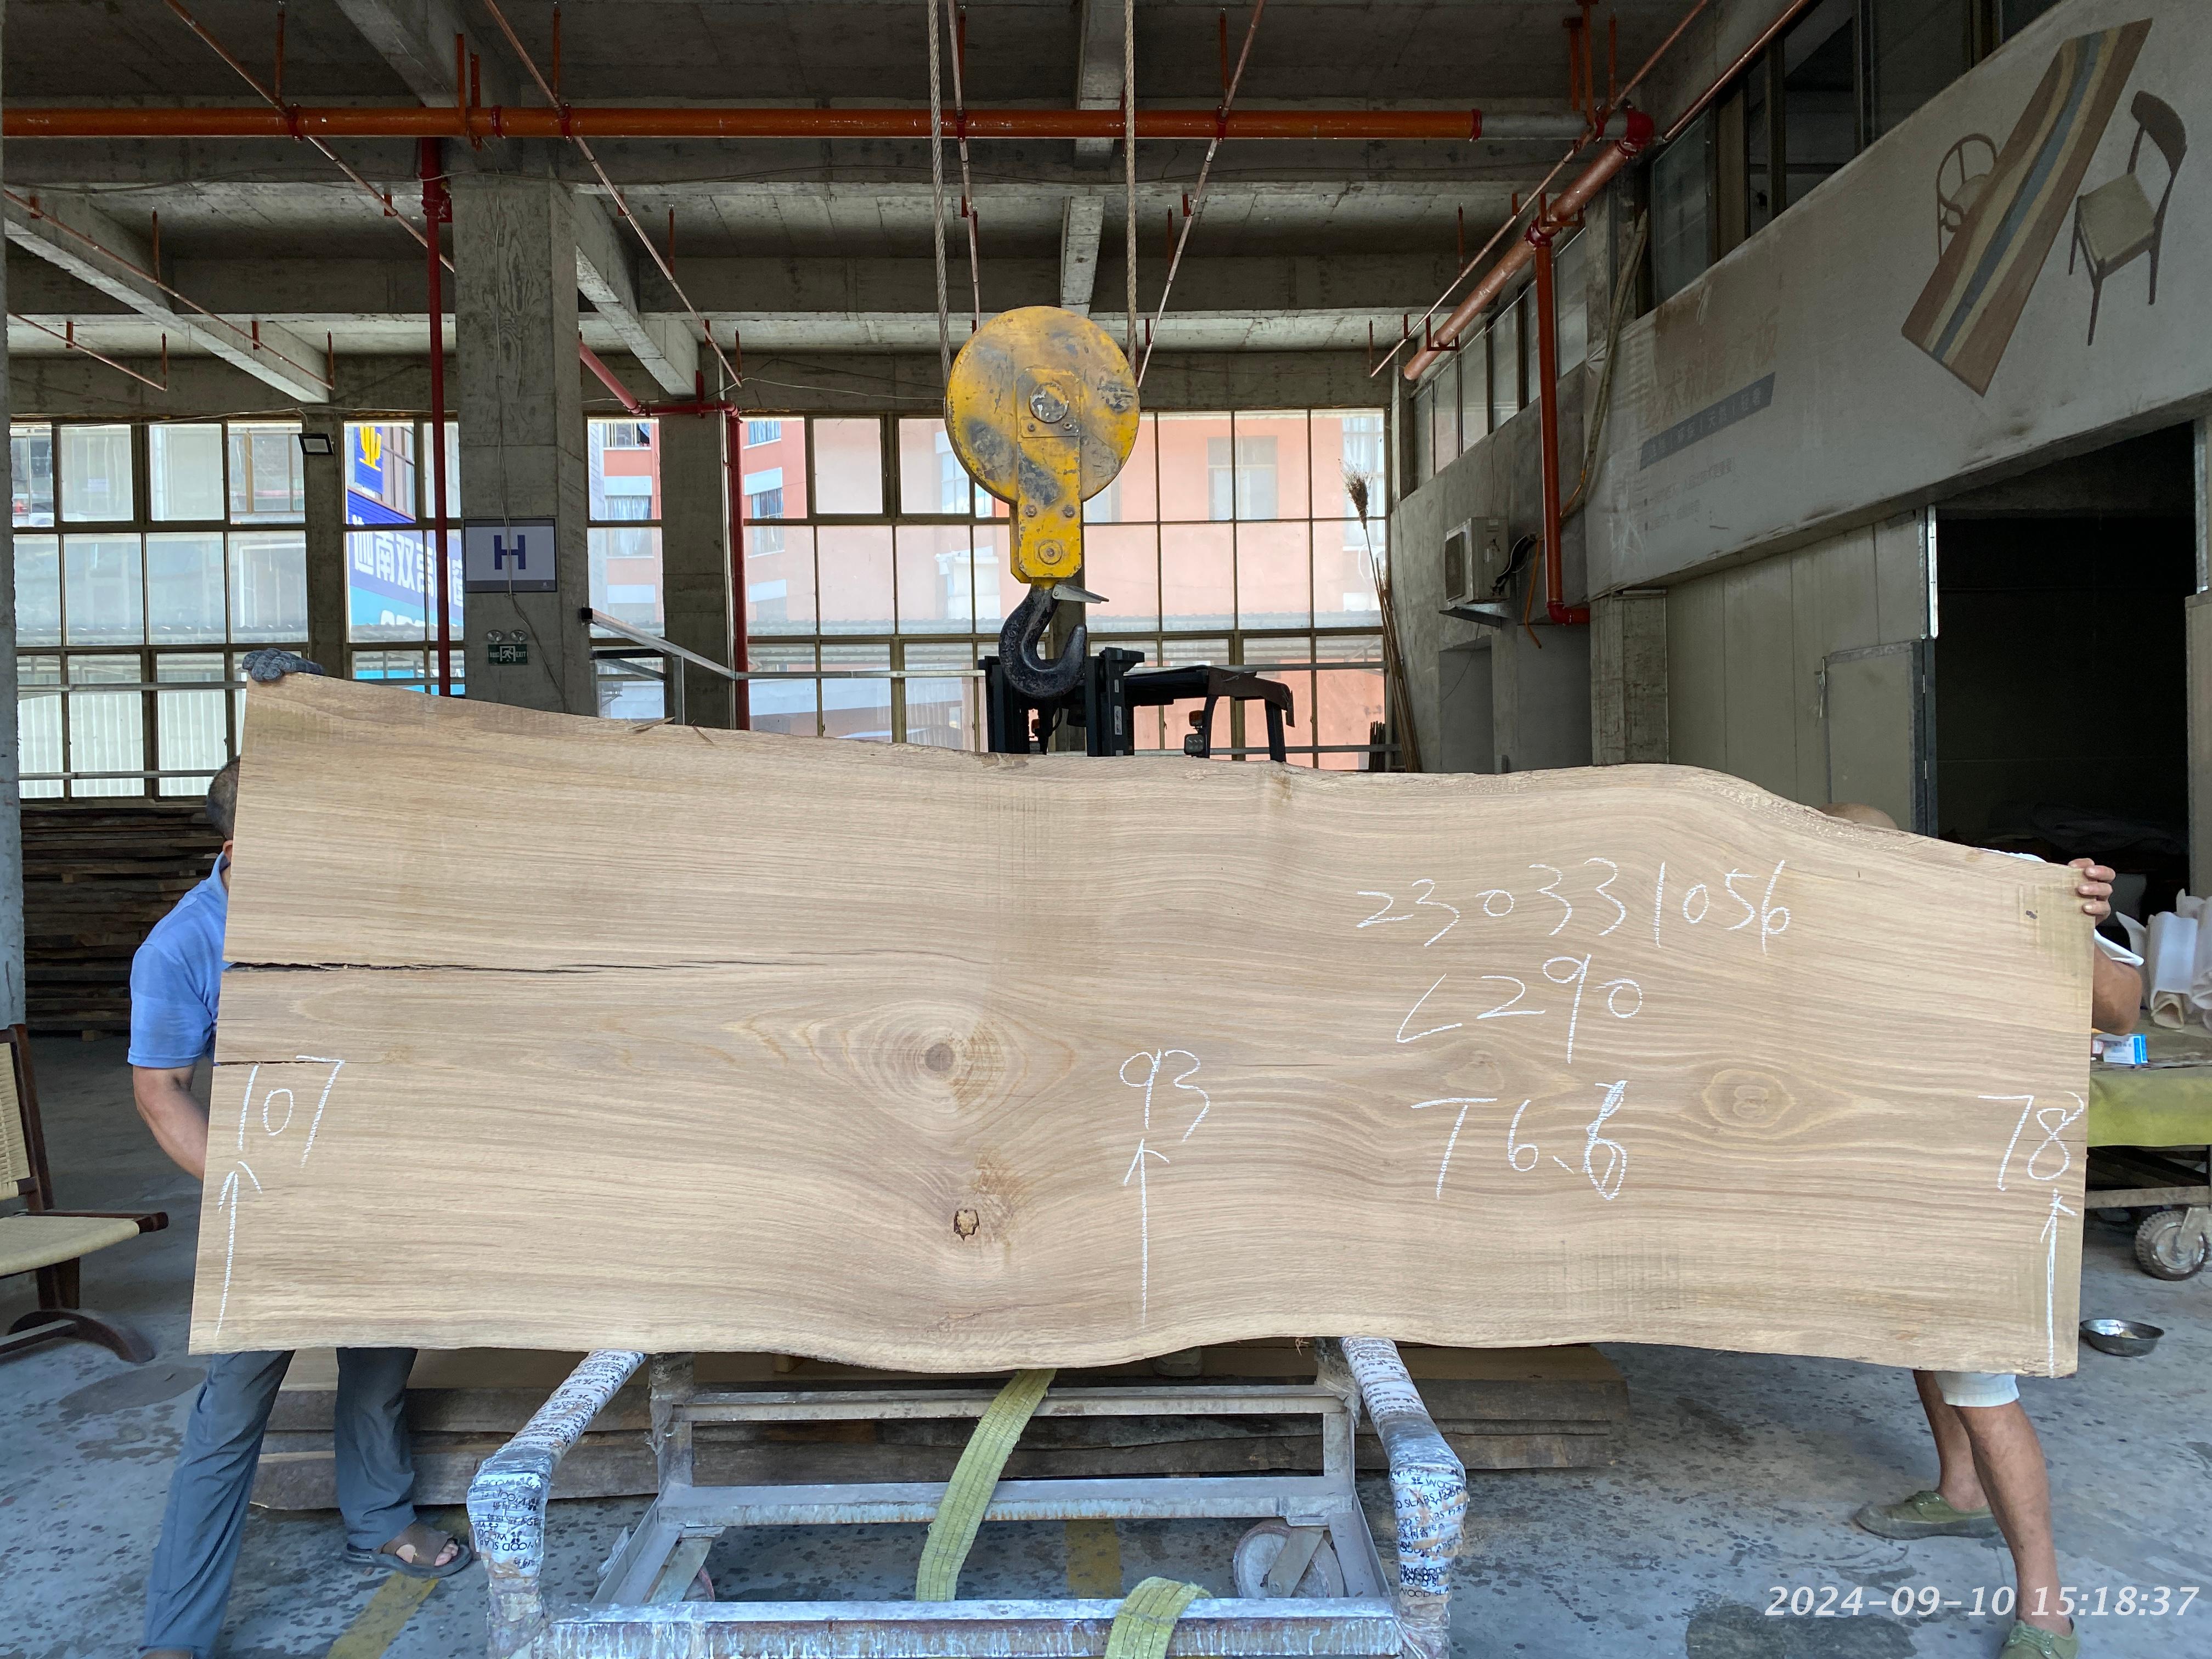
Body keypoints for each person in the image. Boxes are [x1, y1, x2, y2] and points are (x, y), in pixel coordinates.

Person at [133, 651, 469, 1659]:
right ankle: (177, 1632)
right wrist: (248, 1187)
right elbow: (160, 1092)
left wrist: (323, 699)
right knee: (234, 1404)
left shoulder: (344, 900)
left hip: (370, 1170)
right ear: (241, 844)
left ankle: (380, 1521)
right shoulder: (183, 945)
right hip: (268, 1192)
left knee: (378, 1363)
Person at [1820, 802, 2142, 1659]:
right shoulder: (1826, 936)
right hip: (1900, 1175)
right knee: (1927, 1340)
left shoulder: (1996, 901)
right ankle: (1959, 1492)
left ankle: (2046, 1611)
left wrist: (2082, 925)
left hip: (1979, 1182)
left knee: (1983, 1384)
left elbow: (2121, 1011)